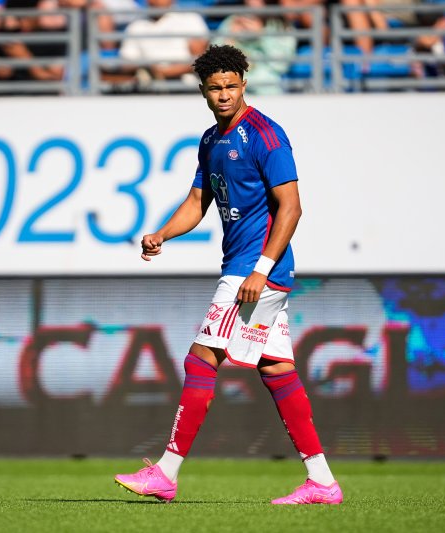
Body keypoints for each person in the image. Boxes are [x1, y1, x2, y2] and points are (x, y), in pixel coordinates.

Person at [114, 44, 343, 506]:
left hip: (254, 271)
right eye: (215, 88)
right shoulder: (210, 140)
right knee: (277, 369)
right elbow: (198, 202)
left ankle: (166, 472)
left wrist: (260, 269)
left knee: (202, 359)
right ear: (202, 90)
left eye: (231, 86)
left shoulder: (266, 135)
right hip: (247, 268)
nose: (223, 95)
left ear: (244, 84)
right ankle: (321, 482)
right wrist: (162, 234)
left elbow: (292, 208)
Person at [117, 0, 209, 89]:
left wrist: (165, 72)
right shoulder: (136, 26)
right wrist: (149, 68)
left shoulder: (190, 19)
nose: (154, 1)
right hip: (149, 89)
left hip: (187, 87)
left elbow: (200, 60)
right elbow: (127, 63)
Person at [212, 0, 297, 95]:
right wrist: (229, 38)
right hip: (233, 89)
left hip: (266, 90)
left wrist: (261, 35)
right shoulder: (233, 21)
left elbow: (281, 66)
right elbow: (213, 57)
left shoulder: (282, 26)